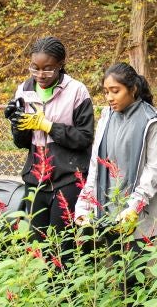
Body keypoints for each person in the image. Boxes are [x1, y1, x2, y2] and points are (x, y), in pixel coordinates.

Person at [75, 63, 157, 307]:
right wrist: (86, 202)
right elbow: (96, 164)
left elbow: (154, 169)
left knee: (135, 278)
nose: (109, 98)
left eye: (115, 91)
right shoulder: (106, 116)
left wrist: (134, 207)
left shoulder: (154, 121)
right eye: (105, 92)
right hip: (108, 211)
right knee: (120, 278)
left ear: (133, 89)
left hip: (138, 215)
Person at [7, 37, 94, 267]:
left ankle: (67, 297)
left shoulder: (77, 91)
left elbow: (85, 138)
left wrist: (48, 125)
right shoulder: (24, 91)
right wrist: (17, 123)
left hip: (68, 177)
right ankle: (49, 296)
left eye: (48, 69)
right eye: (35, 68)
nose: (40, 74)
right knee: (40, 244)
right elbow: (21, 142)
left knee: (63, 246)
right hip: (36, 180)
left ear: (61, 64)